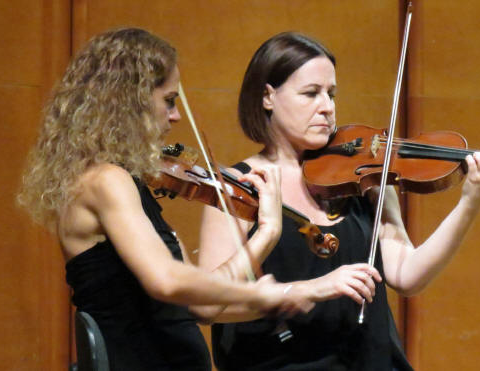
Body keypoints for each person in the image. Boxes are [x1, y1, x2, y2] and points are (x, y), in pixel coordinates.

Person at [198, 32, 480, 370]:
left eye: (332, 94)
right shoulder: (238, 186)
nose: (327, 108)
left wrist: (471, 199)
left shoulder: (365, 178)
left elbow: (407, 275)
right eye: (311, 94)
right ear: (269, 96)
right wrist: (313, 288)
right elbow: (211, 304)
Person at [17, 28, 316, 371]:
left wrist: (266, 233)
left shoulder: (130, 184)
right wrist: (259, 294)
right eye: (169, 100)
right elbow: (167, 281)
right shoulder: (104, 180)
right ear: (132, 101)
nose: (175, 116)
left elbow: (201, 308)